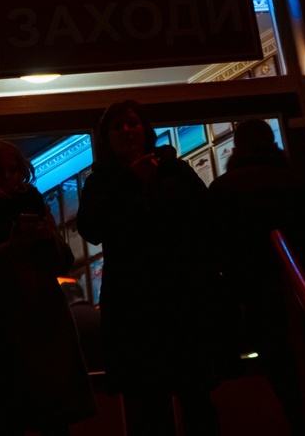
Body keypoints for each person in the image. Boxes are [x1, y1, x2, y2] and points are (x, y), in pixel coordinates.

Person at [75, 100, 221, 436]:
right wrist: (129, 181)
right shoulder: (101, 181)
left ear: (146, 129)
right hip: (133, 305)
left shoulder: (175, 170)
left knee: (196, 396)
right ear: (106, 137)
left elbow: (206, 218)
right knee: (147, 403)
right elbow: (90, 228)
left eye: (132, 123)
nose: (126, 130)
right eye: (117, 126)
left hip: (182, 299)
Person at [209, 119, 305, 436]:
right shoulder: (303, 186)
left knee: (295, 394)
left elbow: (218, 258)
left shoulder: (224, 190)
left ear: (236, 148)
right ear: (273, 144)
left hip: (260, 307)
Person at [0, 139, 94, 436]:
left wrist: (48, 238)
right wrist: (8, 250)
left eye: (12, 170)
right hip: (0, 322)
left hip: (44, 319)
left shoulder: (33, 202)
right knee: (8, 416)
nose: (7, 177)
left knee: (54, 418)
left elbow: (63, 261)